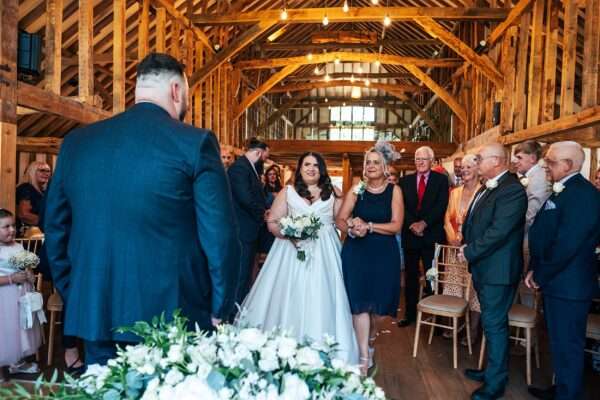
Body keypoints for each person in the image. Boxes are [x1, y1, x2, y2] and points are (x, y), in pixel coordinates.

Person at [44, 53, 240, 366]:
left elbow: (55, 230)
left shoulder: (77, 143)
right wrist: (221, 307)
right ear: (176, 91)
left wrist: (76, 290)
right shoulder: (195, 143)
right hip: (173, 314)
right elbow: (220, 237)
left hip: (96, 310)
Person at [237, 152, 358, 365]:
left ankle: (324, 346)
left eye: (316, 165)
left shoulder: (333, 193)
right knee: (287, 293)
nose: (311, 168)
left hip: (325, 251)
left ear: (322, 170)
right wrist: (289, 234)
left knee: (324, 293)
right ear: (300, 168)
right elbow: (273, 221)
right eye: (307, 164)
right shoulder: (288, 192)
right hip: (290, 251)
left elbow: (341, 221)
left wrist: (356, 224)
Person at [525, 141, 600, 400]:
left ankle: (569, 395)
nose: (546, 165)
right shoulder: (563, 189)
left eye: (551, 161)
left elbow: (567, 244)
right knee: (558, 342)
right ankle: (562, 389)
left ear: (568, 165)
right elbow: (546, 232)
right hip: (557, 281)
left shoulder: (583, 194)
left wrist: (541, 274)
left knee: (568, 344)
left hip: (569, 284)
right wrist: (535, 268)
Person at [459, 143, 527, 400]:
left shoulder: (512, 190)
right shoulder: (490, 186)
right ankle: (489, 370)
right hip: (485, 267)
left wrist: (469, 250)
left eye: (480, 158)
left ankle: (495, 382)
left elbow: (499, 232)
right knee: (491, 323)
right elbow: (475, 220)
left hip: (498, 270)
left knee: (495, 325)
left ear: (496, 161)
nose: (476, 162)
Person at [337, 141, 404, 375]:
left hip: (384, 254)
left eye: (376, 162)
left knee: (380, 309)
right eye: (368, 162)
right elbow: (340, 219)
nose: (371, 166)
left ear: (385, 166)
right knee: (359, 304)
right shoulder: (357, 189)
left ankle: (371, 338)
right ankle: (363, 356)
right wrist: (352, 227)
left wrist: (370, 226)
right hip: (356, 253)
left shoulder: (394, 191)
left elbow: (396, 226)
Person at [398, 146, 449, 327]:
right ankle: (410, 314)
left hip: (431, 235)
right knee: (411, 278)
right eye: (417, 158)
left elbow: (441, 205)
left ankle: (435, 317)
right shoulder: (404, 181)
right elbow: (401, 206)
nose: (419, 162)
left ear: (432, 161)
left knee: (432, 277)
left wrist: (424, 223)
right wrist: (413, 224)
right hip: (410, 236)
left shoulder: (441, 180)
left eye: (423, 159)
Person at [443, 154, 481, 342]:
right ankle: (455, 325)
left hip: (474, 250)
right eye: (462, 167)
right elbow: (447, 218)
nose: (464, 170)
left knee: (474, 291)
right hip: (455, 250)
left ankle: (473, 330)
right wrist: (453, 239)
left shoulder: (484, 192)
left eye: (468, 167)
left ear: (478, 169)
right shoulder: (455, 192)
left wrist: (467, 242)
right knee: (454, 287)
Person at [0, 209, 42, 382]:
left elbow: (25, 267)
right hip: (4, 297)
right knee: (4, 332)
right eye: (6, 227)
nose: (12, 230)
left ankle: (16, 362)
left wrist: (29, 274)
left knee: (20, 329)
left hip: (20, 295)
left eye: (13, 225)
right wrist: (10, 278)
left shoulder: (18, 246)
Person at [228, 138, 270, 306]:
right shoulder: (240, 169)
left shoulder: (249, 168)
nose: (265, 161)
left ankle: (239, 307)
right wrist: (263, 213)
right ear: (258, 153)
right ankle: (233, 311)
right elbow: (245, 198)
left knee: (245, 273)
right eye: (265, 157)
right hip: (242, 229)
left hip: (249, 228)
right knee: (241, 273)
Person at [15, 161, 51, 237]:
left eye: (48, 171)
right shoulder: (25, 188)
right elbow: (24, 215)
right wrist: (49, 222)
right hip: (29, 237)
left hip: (40, 235)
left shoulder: (44, 191)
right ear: (32, 172)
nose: (46, 173)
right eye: (42, 170)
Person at [258, 165, 282, 254]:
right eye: (270, 174)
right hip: (267, 220)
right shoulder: (263, 190)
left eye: (274, 174)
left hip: (280, 220)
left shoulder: (281, 189)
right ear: (267, 177)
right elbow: (263, 204)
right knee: (268, 246)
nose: (272, 176)